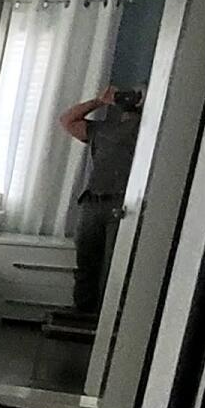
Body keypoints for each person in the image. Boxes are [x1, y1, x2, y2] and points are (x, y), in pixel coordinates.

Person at [58, 85, 143, 319]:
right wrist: (100, 101)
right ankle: (83, 312)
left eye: (136, 95)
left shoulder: (147, 132)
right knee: (86, 263)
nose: (130, 99)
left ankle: (111, 317)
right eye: (128, 95)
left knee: (115, 266)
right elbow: (67, 120)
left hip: (123, 206)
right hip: (92, 201)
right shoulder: (102, 129)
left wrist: (145, 102)